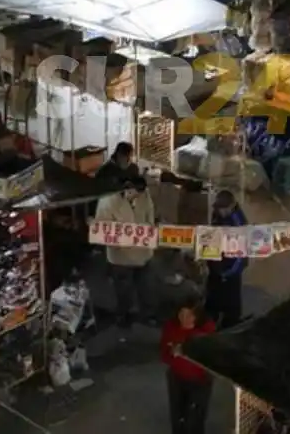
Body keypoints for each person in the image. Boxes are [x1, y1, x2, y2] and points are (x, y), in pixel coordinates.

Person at [94, 176, 157, 327]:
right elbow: (103, 231)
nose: (138, 196)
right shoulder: (107, 202)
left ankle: (147, 315)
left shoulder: (145, 195)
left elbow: (150, 217)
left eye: (141, 193)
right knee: (123, 289)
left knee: (145, 286)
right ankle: (124, 316)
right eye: (135, 192)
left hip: (143, 253)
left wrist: (147, 233)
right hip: (121, 257)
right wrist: (123, 240)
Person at [160, 298, 215, 434]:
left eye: (189, 315)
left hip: (199, 381)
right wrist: (172, 353)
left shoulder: (206, 331)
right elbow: (163, 353)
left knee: (195, 418)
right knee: (177, 415)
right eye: (181, 314)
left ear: (197, 317)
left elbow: (213, 359)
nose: (184, 319)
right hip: (176, 378)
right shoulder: (171, 327)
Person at [205, 190, 247, 328]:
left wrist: (227, 272)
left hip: (230, 271)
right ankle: (209, 322)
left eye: (223, 208)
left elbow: (241, 256)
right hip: (215, 265)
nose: (220, 211)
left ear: (231, 205)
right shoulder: (217, 215)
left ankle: (230, 325)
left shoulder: (239, 223)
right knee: (212, 299)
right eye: (218, 208)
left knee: (231, 302)